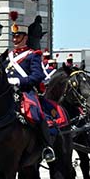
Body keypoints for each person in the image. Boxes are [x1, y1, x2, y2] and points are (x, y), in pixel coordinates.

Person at [3, 12, 56, 163]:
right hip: (7, 92)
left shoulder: (33, 55)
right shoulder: (9, 56)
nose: (14, 39)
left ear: (25, 37)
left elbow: (37, 76)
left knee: (36, 113)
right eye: (13, 36)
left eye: (18, 36)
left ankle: (46, 147)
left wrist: (19, 82)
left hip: (25, 92)